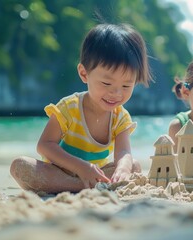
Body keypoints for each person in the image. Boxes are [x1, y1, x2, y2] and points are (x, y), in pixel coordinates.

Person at [10, 23, 151, 194]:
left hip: (96, 173)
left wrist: (123, 168)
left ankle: (87, 184)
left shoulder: (120, 117)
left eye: (127, 85)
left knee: (133, 166)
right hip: (59, 172)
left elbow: (123, 151)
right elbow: (45, 145)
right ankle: (79, 186)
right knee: (20, 166)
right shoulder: (69, 108)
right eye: (106, 83)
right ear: (84, 74)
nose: (116, 93)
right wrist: (81, 167)